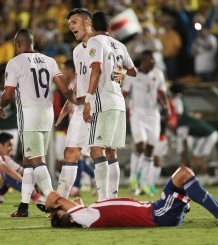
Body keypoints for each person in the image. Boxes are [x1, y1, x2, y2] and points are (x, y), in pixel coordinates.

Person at [0, 29, 77, 217]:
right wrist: (76, 102)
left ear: (18, 44)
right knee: (29, 161)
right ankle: (24, 206)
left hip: (29, 113)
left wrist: (0, 106)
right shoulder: (49, 61)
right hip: (46, 113)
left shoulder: (15, 63)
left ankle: (54, 201)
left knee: (36, 160)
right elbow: (65, 89)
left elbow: (8, 94)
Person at [55, 9, 129, 201]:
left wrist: (125, 74)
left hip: (100, 104)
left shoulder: (101, 45)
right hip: (81, 108)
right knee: (70, 151)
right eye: (70, 23)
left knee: (107, 150)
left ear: (88, 22)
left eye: (75, 22)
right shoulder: (77, 50)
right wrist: (67, 105)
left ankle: (109, 199)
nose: (71, 27)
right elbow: (79, 79)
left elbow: (116, 70)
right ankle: (60, 200)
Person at [46, 165, 218, 228]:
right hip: (158, 214)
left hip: (158, 210)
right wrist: (52, 208)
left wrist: (59, 209)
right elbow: (54, 197)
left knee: (183, 177)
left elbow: (77, 202)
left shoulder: (86, 214)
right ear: (71, 217)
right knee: (183, 174)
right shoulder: (85, 217)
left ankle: (186, 202)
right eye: (66, 210)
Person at [82, 11, 137, 201]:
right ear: (110, 27)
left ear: (92, 27)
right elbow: (134, 71)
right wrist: (123, 72)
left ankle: (103, 199)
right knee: (111, 151)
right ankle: (112, 197)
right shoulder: (120, 45)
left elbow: (96, 69)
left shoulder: (95, 42)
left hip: (103, 101)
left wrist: (87, 100)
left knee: (96, 149)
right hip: (119, 102)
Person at [122, 50, 169, 196]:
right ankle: (133, 178)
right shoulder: (132, 75)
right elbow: (124, 93)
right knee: (140, 145)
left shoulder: (158, 74)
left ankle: (145, 183)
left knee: (150, 148)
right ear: (143, 60)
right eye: (150, 60)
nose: (153, 62)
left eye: (154, 60)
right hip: (137, 115)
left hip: (153, 116)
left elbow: (161, 92)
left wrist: (166, 106)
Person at [170, 84, 218, 175]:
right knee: (195, 156)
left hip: (209, 135)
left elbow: (184, 144)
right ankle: (200, 177)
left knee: (195, 157)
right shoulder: (183, 104)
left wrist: (185, 160)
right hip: (206, 135)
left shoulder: (182, 120)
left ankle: (202, 177)